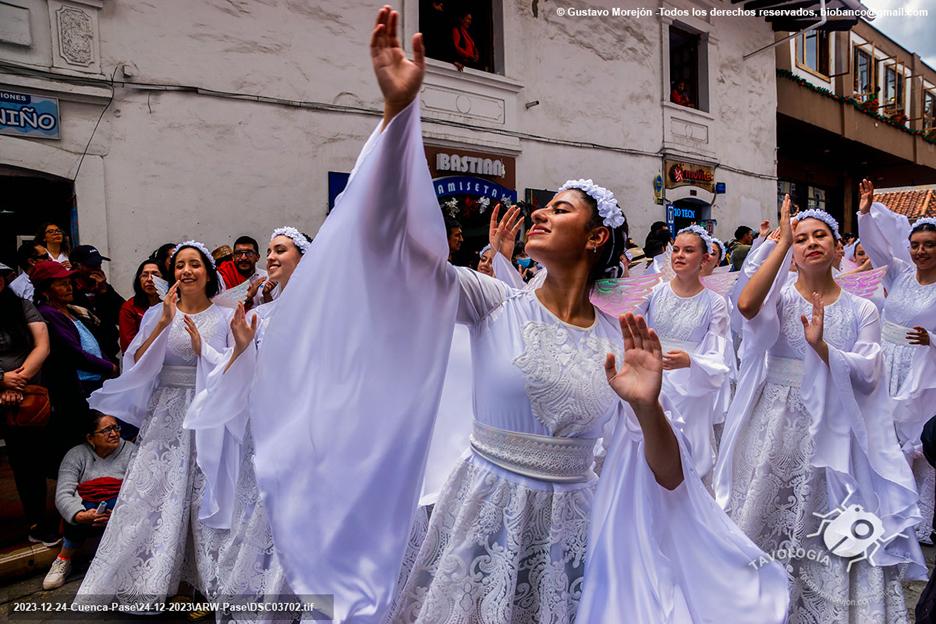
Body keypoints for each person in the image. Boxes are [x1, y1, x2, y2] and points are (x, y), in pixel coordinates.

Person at [247, 9, 789, 623]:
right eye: (543, 207)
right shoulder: (492, 300)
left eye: (560, 210)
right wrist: (398, 117)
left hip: (571, 541)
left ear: (594, 239)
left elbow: (668, 478)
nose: (539, 214)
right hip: (480, 519)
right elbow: (386, 244)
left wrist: (646, 404)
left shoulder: (622, 339)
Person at [715, 196, 925, 624]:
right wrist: (781, 239)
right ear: (791, 249)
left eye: (820, 236)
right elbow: (745, 307)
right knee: (763, 505)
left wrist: (823, 348)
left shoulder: (862, 307)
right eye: (801, 238)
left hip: (835, 426)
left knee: (828, 515)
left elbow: (868, 373)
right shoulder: (780, 300)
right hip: (774, 420)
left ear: (836, 248)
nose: (810, 243)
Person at [75, 241, 241, 607]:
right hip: (166, 412)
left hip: (208, 413)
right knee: (156, 491)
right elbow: (134, 360)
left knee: (205, 491)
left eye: (194, 264)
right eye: (180, 265)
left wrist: (206, 356)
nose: (186, 271)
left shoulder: (227, 316)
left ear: (208, 272)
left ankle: (206, 579)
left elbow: (237, 368)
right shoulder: (158, 312)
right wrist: (165, 322)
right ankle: (150, 577)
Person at [187, 227, 312, 620]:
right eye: (270, 251)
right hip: (263, 426)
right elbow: (243, 372)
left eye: (281, 250)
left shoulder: (322, 308)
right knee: (260, 508)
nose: (271, 257)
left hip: (302, 425)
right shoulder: (257, 314)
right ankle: (261, 589)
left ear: (303, 257)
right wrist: (241, 346)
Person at [857, 179, 936, 545]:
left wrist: (932, 339)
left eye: (929, 246)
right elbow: (874, 247)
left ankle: (917, 516)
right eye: (915, 245)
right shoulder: (899, 274)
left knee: (916, 441)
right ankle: (879, 503)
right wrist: (864, 213)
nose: (920, 252)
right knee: (881, 432)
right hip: (887, 363)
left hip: (923, 369)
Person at [634, 225, 731, 481]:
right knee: (646, 449)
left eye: (689, 250)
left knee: (683, 454)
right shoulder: (654, 291)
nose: (679, 255)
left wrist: (691, 361)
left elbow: (716, 354)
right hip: (653, 379)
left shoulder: (715, 302)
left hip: (690, 385)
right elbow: (628, 324)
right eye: (676, 249)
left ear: (704, 258)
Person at [33, 261, 118, 465]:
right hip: (76, 388)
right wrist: (110, 367)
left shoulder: (70, 310)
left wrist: (107, 364)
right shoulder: (48, 314)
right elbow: (74, 353)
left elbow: (94, 343)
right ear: (45, 290)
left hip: (93, 383)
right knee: (84, 439)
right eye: (61, 284)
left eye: (69, 282)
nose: (69, 287)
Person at [43, 411, 135, 590]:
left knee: (114, 502)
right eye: (106, 430)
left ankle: (112, 560)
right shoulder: (76, 455)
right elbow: (63, 493)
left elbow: (140, 489)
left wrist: (117, 514)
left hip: (120, 511)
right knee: (77, 508)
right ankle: (63, 560)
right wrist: (79, 515)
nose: (114, 434)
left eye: (116, 428)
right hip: (89, 513)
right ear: (90, 438)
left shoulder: (131, 451)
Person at [0, 265, 53, 546]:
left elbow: (41, 346)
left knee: (28, 463)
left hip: (23, 394)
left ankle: (36, 523)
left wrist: (16, 381)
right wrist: (1, 380)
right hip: (5, 387)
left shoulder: (21, 307)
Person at [69, 245, 125, 361]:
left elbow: (122, 316)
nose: (97, 269)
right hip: (80, 354)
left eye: (99, 265)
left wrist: (104, 292)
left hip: (108, 352)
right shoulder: (68, 289)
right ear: (76, 266)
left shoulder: (104, 287)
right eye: (91, 266)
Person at [118, 260, 162, 354]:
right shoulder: (129, 308)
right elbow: (129, 347)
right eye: (145, 275)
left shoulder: (172, 305)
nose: (149, 279)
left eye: (155, 275)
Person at [217, 236, 268, 309]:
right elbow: (221, 308)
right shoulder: (223, 276)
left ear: (257, 257)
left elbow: (274, 310)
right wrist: (249, 294)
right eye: (239, 253)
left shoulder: (267, 278)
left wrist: (267, 294)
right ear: (233, 257)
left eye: (249, 253)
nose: (243, 257)